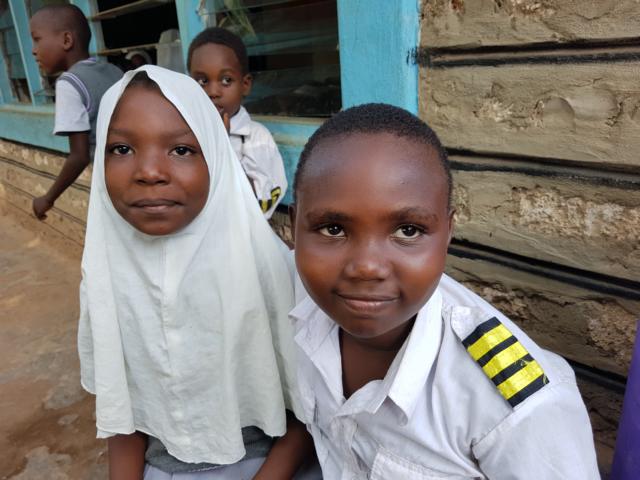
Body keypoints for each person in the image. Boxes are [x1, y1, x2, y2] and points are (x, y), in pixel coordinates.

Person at [288, 103, 601, 479]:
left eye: (408, 230)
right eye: (333, 229)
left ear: (448, 233)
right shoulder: (301, 300)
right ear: (294, 226)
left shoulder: (519, 410)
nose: (367, 267)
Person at [78, 65, 316, 479]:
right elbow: (123, 417)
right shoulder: (104, 277)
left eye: (182, 150)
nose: (149, 172)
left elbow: (310, 413)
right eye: (122, 148)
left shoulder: (272, 269)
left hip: (270, 465)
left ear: (217, 157)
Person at [29, 4, 122, 220]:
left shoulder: (69, 84)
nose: (33, 50)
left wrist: (48, 198)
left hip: (112, 182)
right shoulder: (114, 71)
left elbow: (79, 156)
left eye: (37, 39)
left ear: (66, 40)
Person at [187, 27, 287, 219]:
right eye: (202, 81)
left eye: (226, 80)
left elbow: (262, 206)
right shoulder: (182, 134)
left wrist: (222, 145)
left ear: (245, 85)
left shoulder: (257, 138)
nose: (213, 92)